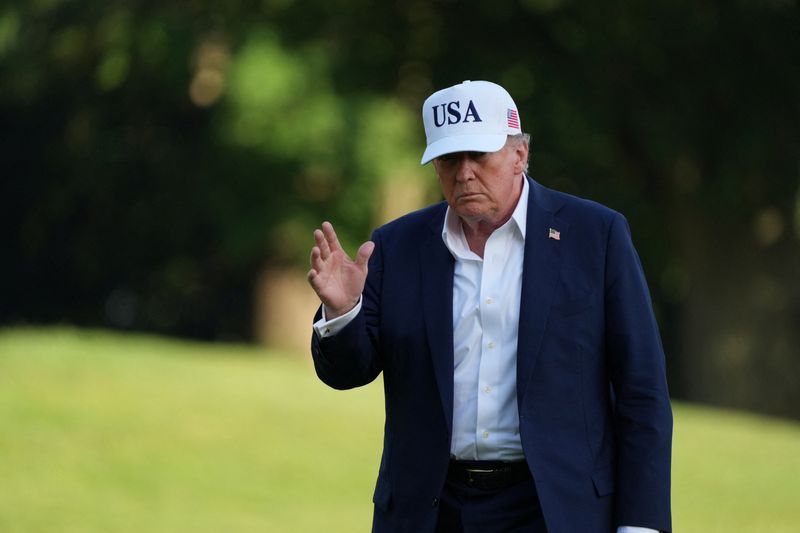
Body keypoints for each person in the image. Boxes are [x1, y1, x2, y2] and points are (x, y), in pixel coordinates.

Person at [308, 80, 672, 533]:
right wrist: (344, 314)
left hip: (555, 509)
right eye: (448, 159)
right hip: (431, 509)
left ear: (519, 154)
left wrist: (642, 524)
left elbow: (642, 390)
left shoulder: (596, 237)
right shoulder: (395, 246)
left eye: (479, 156)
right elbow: (348, 372)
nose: (464, 173)